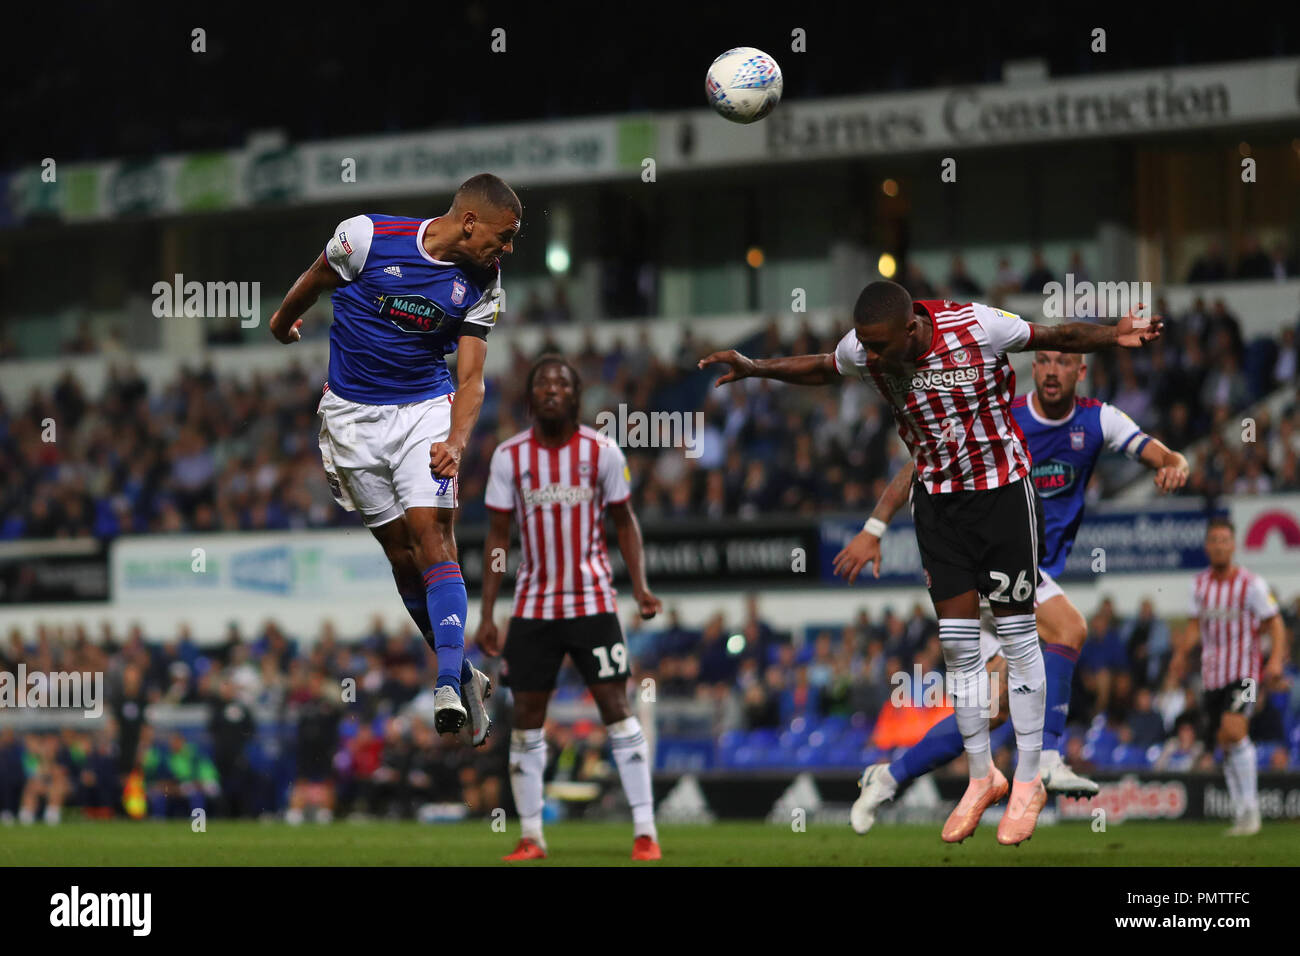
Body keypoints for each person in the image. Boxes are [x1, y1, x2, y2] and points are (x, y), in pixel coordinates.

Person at [700, 281, 1161, 845]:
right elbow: (824, 365)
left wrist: (1114, 334)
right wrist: (756, 367)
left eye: (878, 346)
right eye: (864, 345)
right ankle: (980, 775)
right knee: (959, 647)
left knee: (1020, 638)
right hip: (938, 507)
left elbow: (1055, 334)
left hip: (1001, 496)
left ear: (911, 329)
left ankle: (1029, 779)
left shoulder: (975, 325)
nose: (869, 357)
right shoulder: (867, 347)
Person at [842, 348, 1188, 833]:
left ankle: (887, 778)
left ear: (1080, 371)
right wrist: (875, 526)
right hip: (987, 560)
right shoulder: (1001, 416)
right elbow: (920, 465)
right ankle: (1046, 757)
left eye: (1063, 362)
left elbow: (1153, 449)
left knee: (993, 710)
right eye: (1043, 360)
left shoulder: (1096, 420)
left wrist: (1175, 462)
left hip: (1021, 578)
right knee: (1069, 628)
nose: (1051, 370)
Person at [270, 173, 520, 736]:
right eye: (503, 237)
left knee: (433, 536)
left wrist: (455, 441)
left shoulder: (485, 281)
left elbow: (473, 378)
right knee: (403, 558)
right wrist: (282, 323)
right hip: (351, 418)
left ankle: (447, 682)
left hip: (425, 409)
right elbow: (313, 281)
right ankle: (464, 675)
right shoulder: (366, 236)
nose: (506, 249)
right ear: (470, 220)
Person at [476, 354, 664, 861]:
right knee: (526, 720)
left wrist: (641, 588)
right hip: (533, 608)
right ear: (530, 396)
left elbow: (625, 522)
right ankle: (532, 835)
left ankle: (645, 831)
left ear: (576, 396)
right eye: (542, 384)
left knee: (617, 710)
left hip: (592, 603)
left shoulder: (602, 450)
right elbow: (498, 538)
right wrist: (488, 610)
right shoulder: (509, 457)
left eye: (562, 384)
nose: (552, 390)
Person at [1172, 517, 1288, 836]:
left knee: (1234, 729)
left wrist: (1275, 660)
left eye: (1225, 540)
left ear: (1233, 545)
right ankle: (1242, 812)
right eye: (1214, 540)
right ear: (1207, 546)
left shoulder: (1251, 584)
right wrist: (1181, 655)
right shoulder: (1199, 585)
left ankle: (1251, 811)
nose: (1220, 546)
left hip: (1245, 673)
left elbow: (1275, 622)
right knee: (1223, 741)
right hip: (1212, 676)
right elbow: (1195, 626)